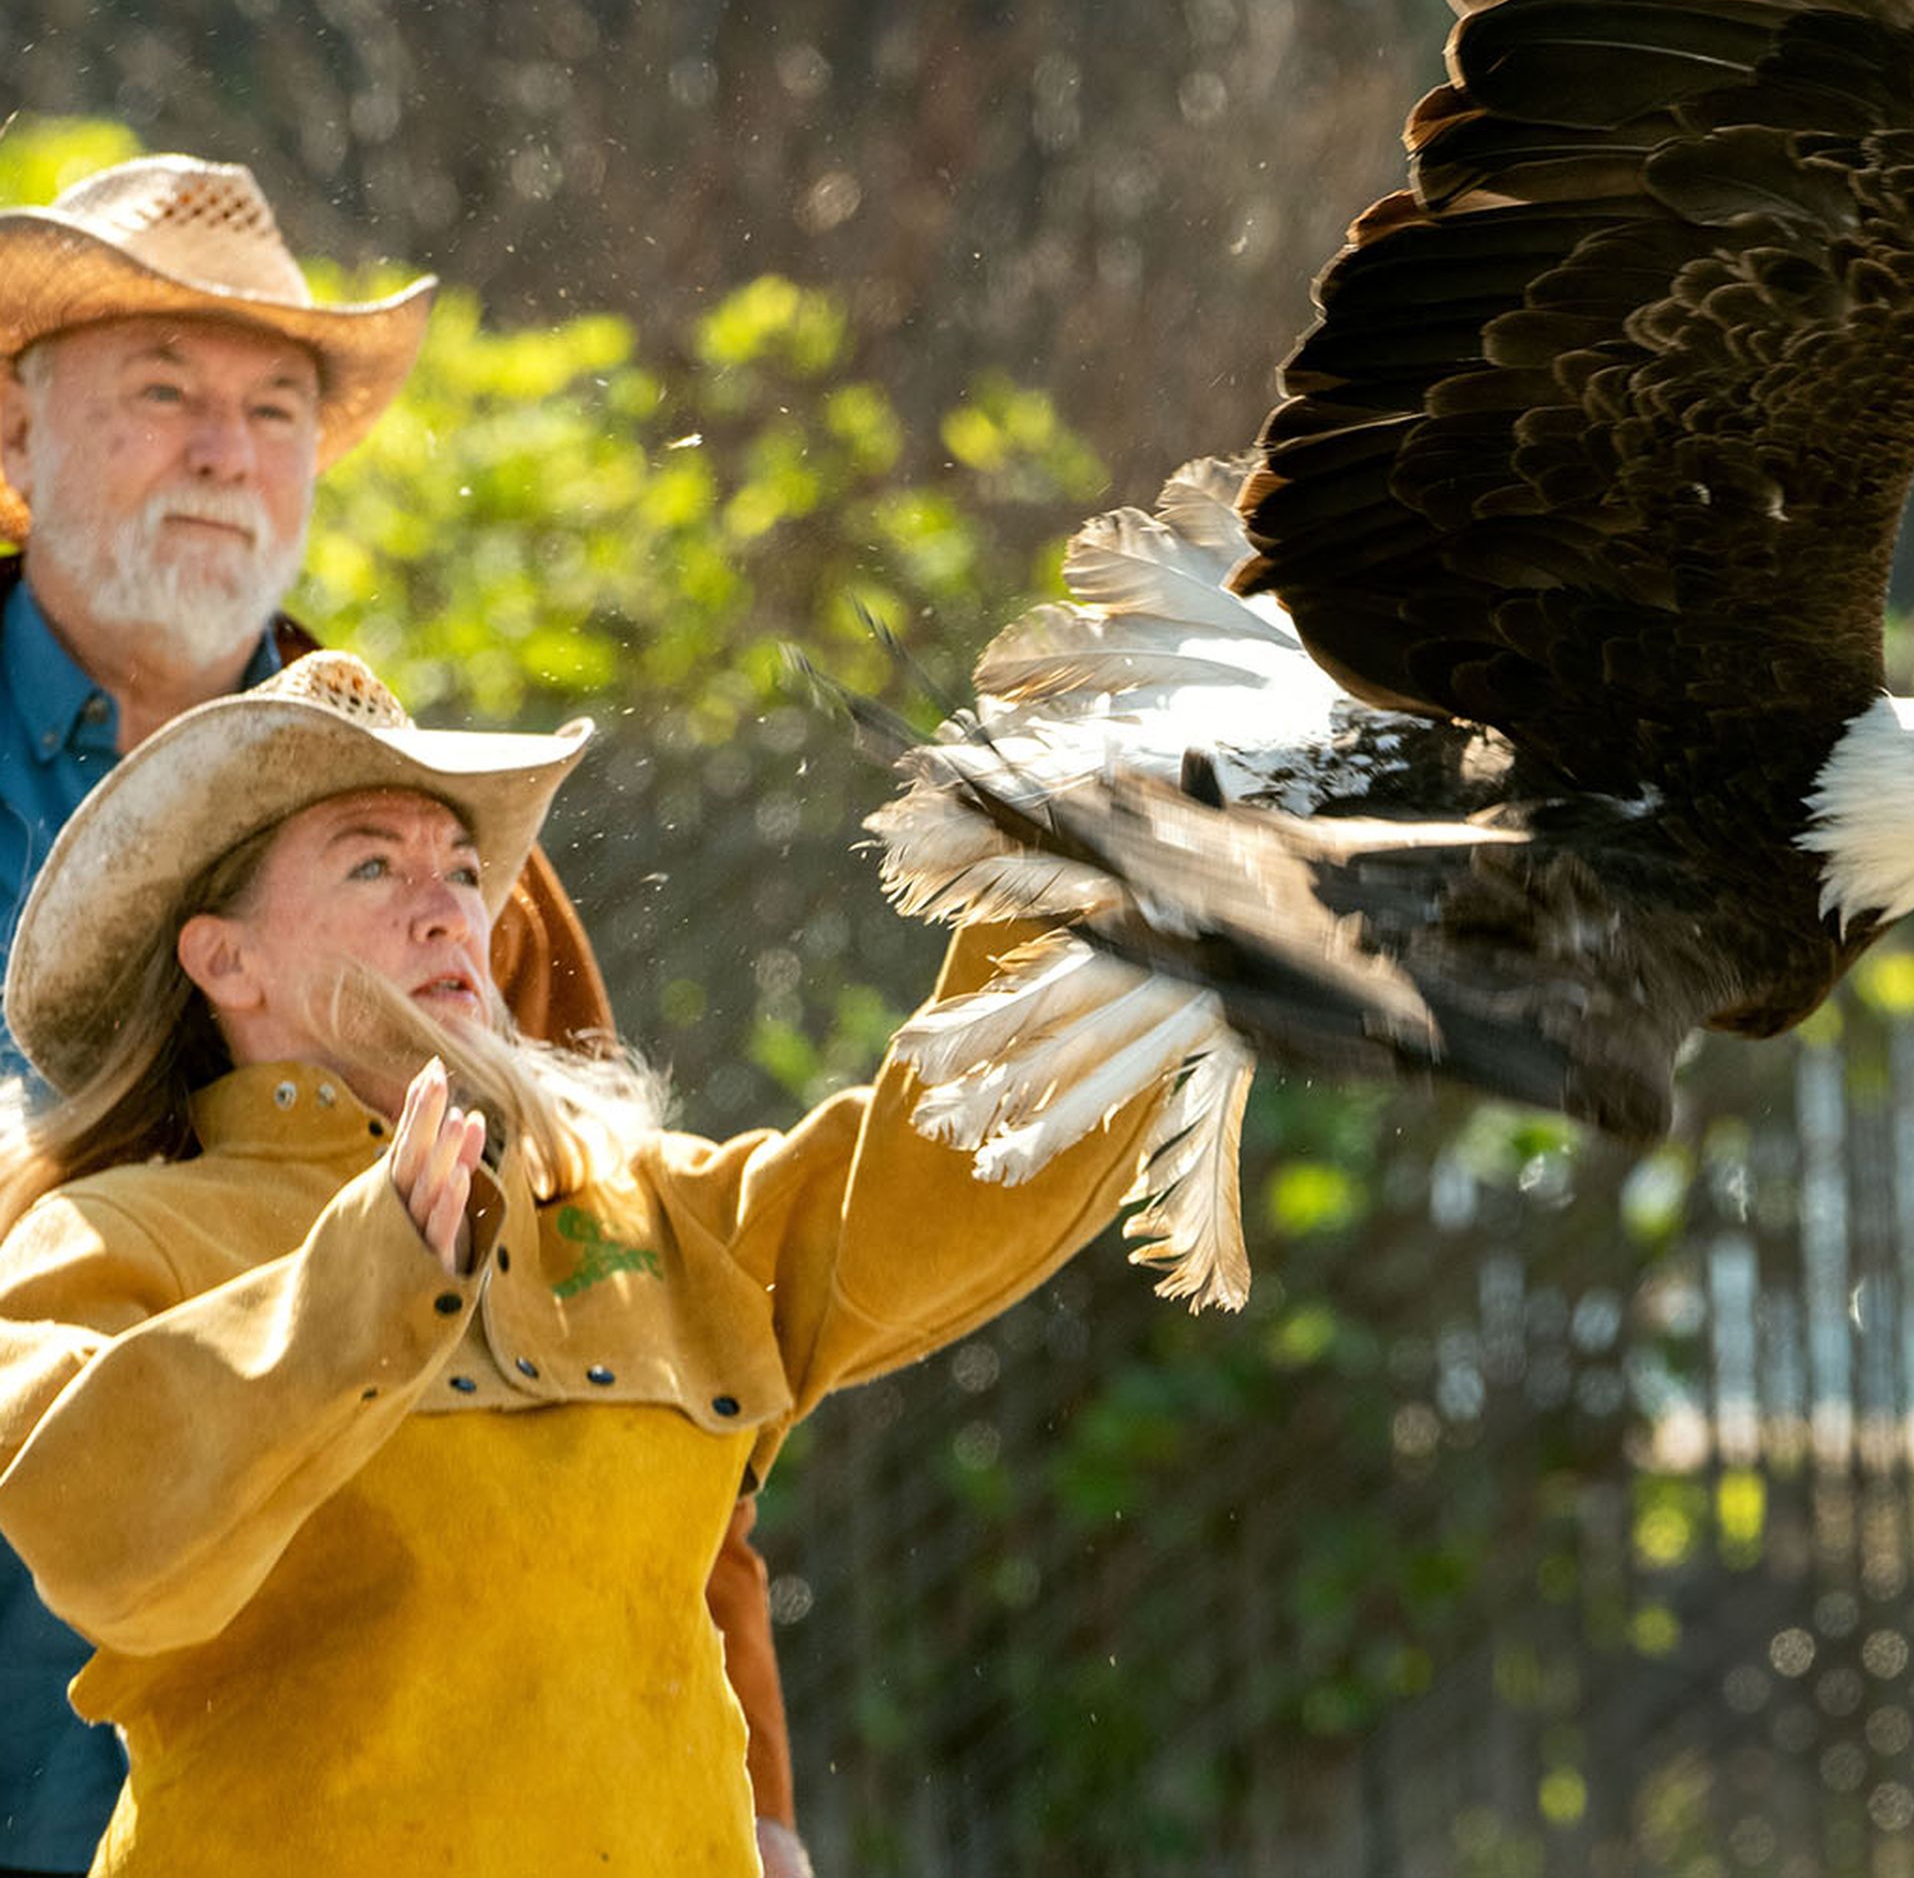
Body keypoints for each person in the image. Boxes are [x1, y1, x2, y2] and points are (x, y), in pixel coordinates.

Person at [0, 650, 1141, 1874]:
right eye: (374, 863)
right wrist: (360, 1288)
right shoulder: (115, 1232)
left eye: (464, 868)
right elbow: (96, 1538)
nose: (448, 907)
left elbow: (954, 1177)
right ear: (226, 961)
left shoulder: (643, 1203)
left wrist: (1090, 856)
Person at [0, 158, 805, 1876]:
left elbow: (633, 1300)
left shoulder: (443, 868)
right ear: (15, 442)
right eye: (161, 393)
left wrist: (763, 1805)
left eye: (275, 408)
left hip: (344, 1804)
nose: (226, 452)